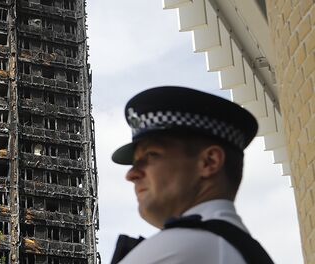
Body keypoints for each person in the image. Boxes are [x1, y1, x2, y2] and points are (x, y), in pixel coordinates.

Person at [110, 86, 273, 263]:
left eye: (151, 155)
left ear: (209, 162)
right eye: (135, 162)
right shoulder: (237, 246)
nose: (131, 174)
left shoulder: (179, 248)